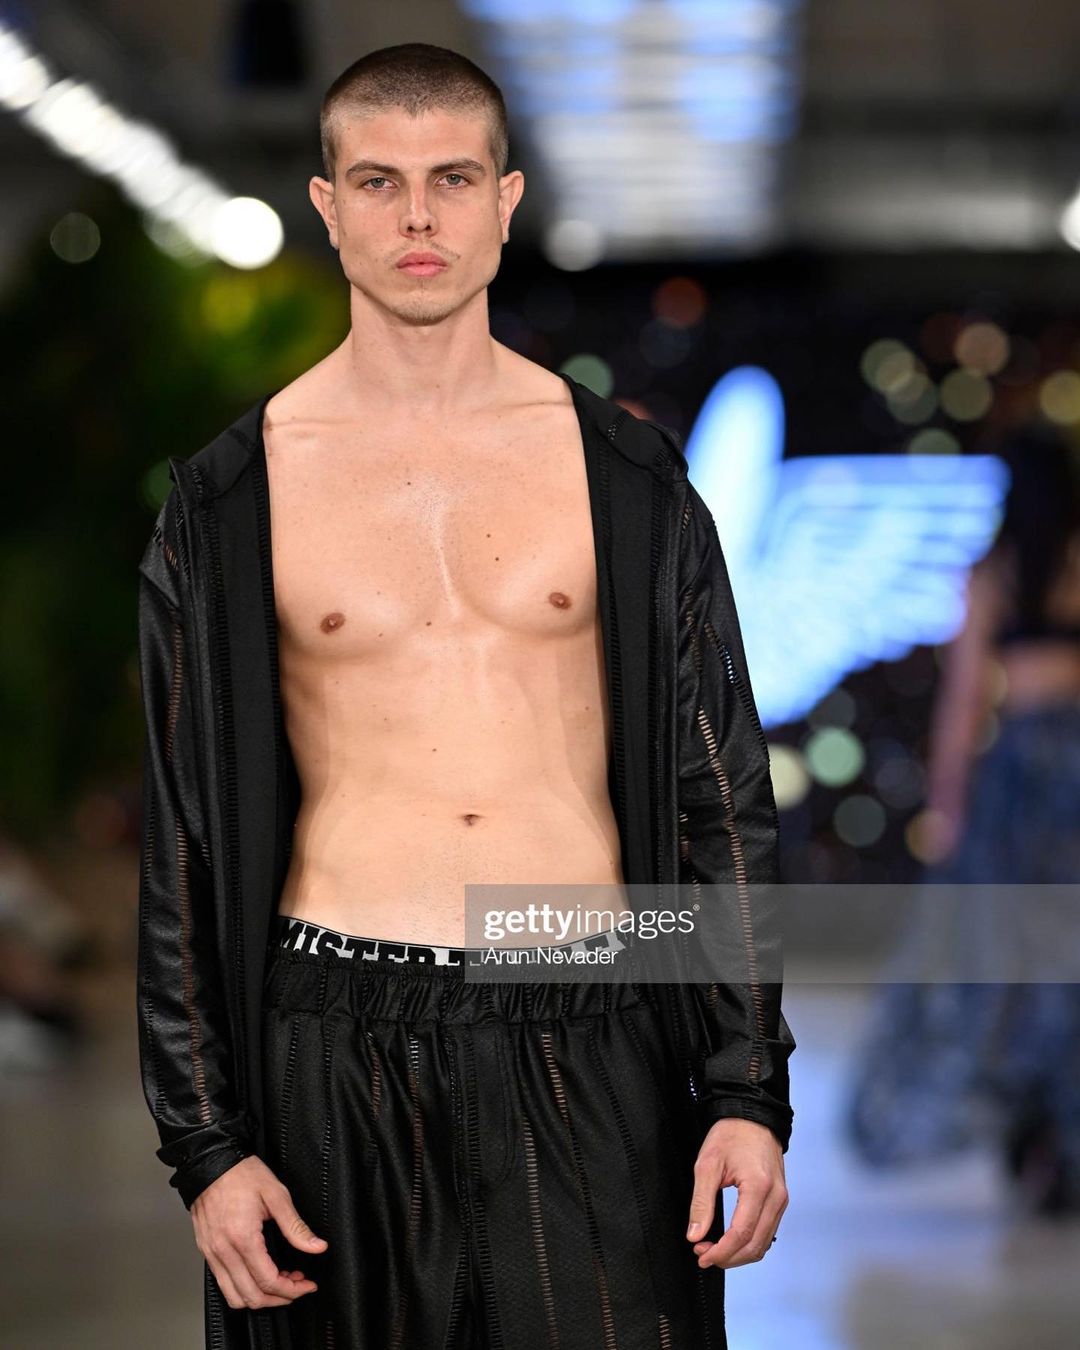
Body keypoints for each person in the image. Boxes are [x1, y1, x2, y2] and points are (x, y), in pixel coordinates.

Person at [136, 43, 795, 1349]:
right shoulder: (229, 500)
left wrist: (744, 1085)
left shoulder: (627, 479)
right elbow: (184, 839)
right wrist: (205, 1142)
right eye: (378, 181)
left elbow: (718, 793)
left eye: (451, 178)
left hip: (591, 1013)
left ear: (506, 199)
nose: (418, 217)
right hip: (332, 1032)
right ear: (328, 206)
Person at [845, 418, 1080, 1215]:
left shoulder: (995, 571)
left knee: (1007, 957)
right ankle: (1057, 1139)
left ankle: (1032, 1132)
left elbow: (964, 701)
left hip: (1018, 777)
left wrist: (947, 806)